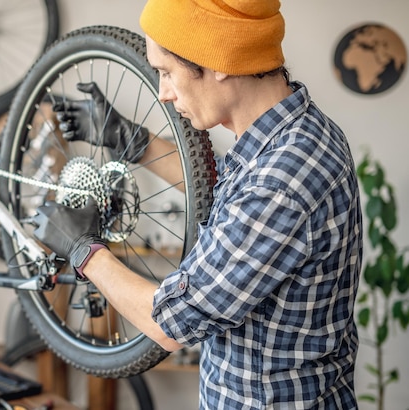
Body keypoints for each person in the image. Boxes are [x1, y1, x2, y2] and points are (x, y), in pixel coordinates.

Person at [32, 0, 363, 408]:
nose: (164, 94)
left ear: (218, 59)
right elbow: (229, 189)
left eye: (167, 73)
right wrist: (131, 139)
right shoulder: (292, 135)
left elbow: (174, 322)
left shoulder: (285, 177)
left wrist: (83, 249)